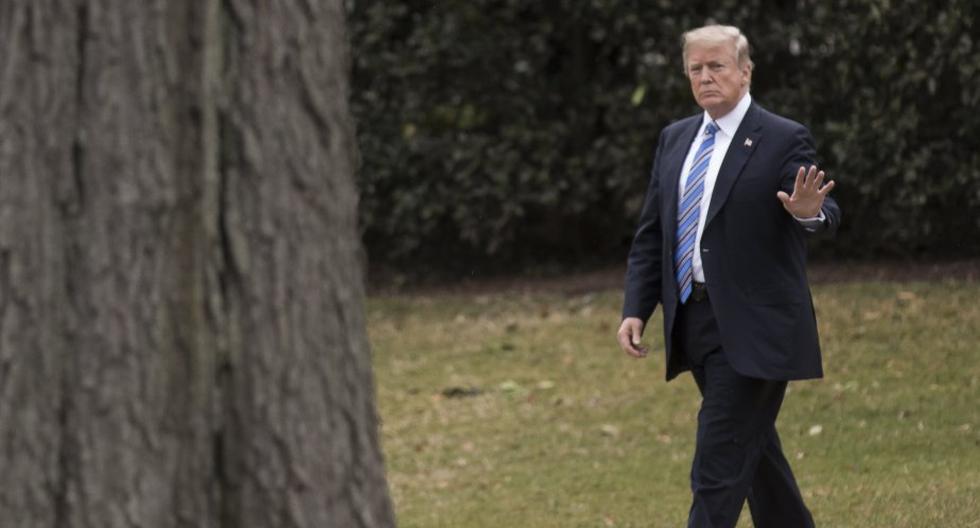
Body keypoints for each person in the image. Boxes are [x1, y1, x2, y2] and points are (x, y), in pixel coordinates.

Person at [616, 24, 840, 527]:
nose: (706, 76)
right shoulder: (675, 139)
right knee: (755, 455)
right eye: (695, 68)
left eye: (717, 65)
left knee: (717, 463)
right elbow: (654, 232)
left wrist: (809, 212)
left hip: (756, 325)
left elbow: (824, 210)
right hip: (693, 321)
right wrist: (636, 307)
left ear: (745, 71)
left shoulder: (782, 137)